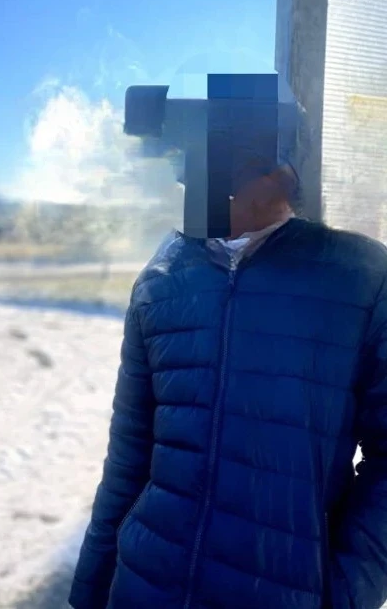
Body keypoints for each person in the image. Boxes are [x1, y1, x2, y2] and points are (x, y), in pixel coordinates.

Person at [69, 165, 387, 609]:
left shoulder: (362, 273)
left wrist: (346, 594)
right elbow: (128, 457)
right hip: (143, 587)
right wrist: (90, 590)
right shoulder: (161, 280)